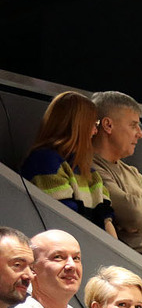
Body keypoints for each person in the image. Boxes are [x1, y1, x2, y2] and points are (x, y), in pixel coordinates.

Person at [88, 91, 142, 263]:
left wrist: (140, 221)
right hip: (130, 262)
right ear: (108, 125)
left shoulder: (134, 172)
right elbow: (135, 214)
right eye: (133, 125)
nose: (140, 134)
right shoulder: (89, 167)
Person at [20, 91, 116, 235]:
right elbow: (64, 221)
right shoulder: (45, 162)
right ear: (78, 126)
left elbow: (106, 218)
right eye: (93, 124)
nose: (95, 131)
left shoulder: (90, 173)